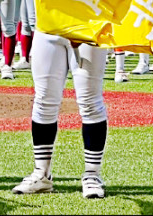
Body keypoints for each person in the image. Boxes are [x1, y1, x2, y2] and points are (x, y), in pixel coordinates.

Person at [11, 32, 110, 199]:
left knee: (90, 101)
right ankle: (42, 173)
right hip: (48, 25)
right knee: (44, 100)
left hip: (88, 24)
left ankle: (92, 174)